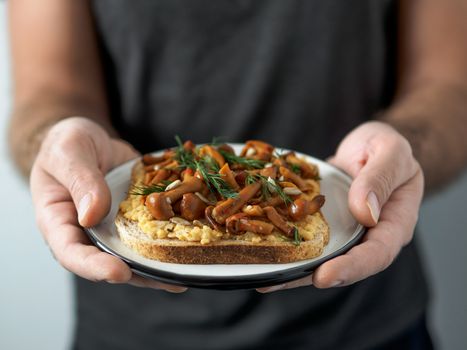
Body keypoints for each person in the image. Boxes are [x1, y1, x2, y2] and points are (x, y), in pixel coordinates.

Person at [7, 0, 467, 349]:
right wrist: (56, 138)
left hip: (367, 321)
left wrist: (405, 147)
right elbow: (48, 91)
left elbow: (449, 88)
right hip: (130, 327)